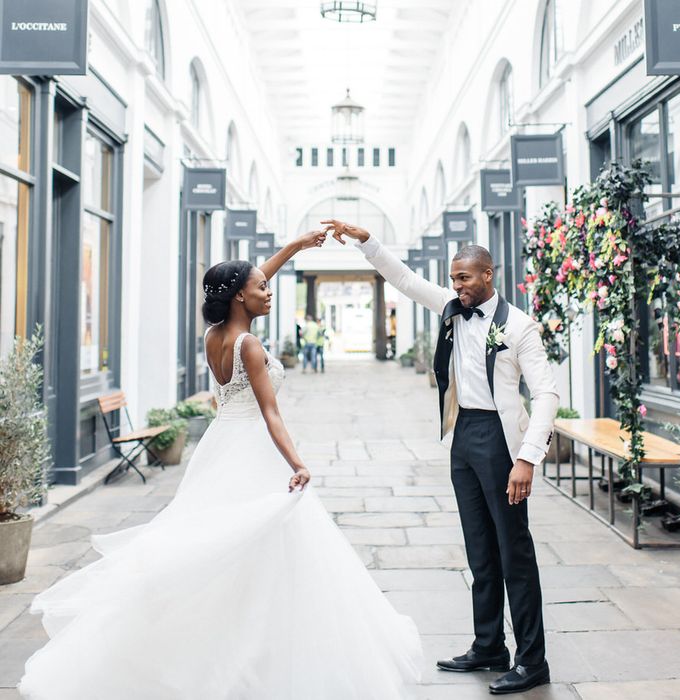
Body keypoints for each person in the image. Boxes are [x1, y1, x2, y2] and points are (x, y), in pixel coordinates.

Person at [18, 231, 422, 700]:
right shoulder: (248, 344)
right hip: (250, 446)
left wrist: (297, 247)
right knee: (264, 543)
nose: (268, 291)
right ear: (238, 297)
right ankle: (252, 648)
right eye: (261, 288)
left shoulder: (215, 334)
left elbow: (251, 281)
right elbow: (271, 414)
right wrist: (298, 462)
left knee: (225, 542)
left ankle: (236, 642)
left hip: (221, 444)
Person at [322, 218, 558, 696]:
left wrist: (527, 458)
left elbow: (548, 393)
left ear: (488, 275)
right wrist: (368, 242)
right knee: (478, 549)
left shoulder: (519, 326)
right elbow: (405, 280)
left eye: (464, 278)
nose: (457, 286)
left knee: (514, 552)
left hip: (500, 440)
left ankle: (533, 661)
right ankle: (489, 645)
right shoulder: (453, 308)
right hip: (464, 433)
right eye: (453, 279)